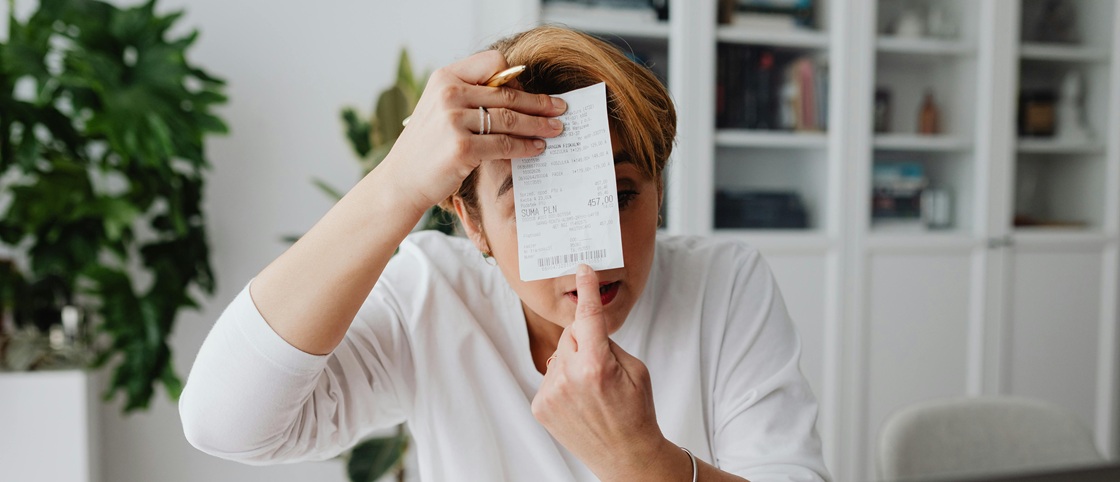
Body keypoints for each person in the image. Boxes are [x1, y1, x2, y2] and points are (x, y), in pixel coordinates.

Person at [179, 25, 830, 482]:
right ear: (474, 224)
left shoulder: (725, 285)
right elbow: (224, 425)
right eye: (540, 204)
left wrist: (641, 460)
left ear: (660, 192)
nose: (592, 252)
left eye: (625, 192)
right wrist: (397, 184)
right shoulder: (431, 296)